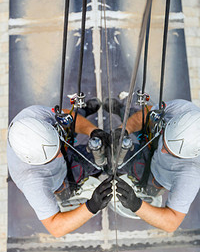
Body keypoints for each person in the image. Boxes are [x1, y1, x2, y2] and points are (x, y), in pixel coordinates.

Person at [7, 101, 113, 238]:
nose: (60, 154)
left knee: (68, 120)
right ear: (34, 161)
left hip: (57, 135)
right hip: (60, 180)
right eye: (53, 156)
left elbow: (64, 116)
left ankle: (81, 113)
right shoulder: (34, 183)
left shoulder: (33, 115)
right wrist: (91, 206)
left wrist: (93, 131)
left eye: (57, 148)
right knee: (82, 166)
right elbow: (56, 228)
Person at [114, 98, 200, 232]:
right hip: (152, 139)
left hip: (154, 176)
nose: (163, 150)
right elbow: (149, 112)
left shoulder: (191, 176)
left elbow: (171, 223)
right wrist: (124, 130)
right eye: (165, 141)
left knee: (115, 163)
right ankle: (120, 109)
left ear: (190, 155)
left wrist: (136, 204)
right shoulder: (183, 109)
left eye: (171, 152)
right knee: (134, 114)